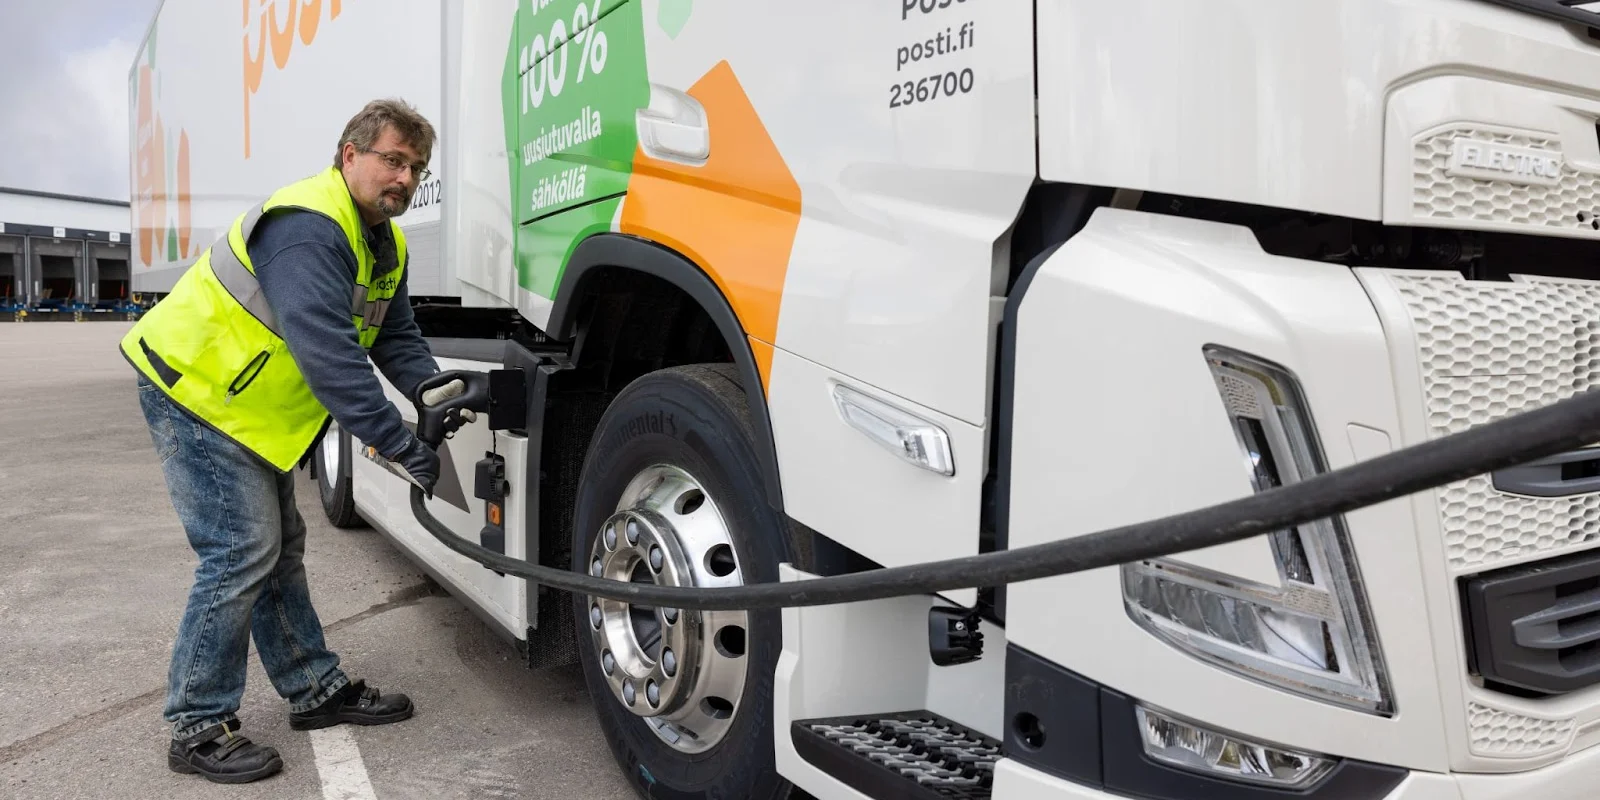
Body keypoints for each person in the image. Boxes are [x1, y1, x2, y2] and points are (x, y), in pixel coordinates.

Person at [120, 98, 454, 784]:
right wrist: (398, 443)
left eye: (416, 168)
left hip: (245, 405)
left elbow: (394, 334)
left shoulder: (384, 242)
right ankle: (195, 723)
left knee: (279, 550)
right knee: (241, 550)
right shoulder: (309, 227)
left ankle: (313, 690)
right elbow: (330, 356)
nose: (404, 178)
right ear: (349, 155)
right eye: (392, 159)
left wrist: (430, 391)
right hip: (197, 390)